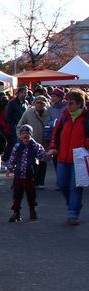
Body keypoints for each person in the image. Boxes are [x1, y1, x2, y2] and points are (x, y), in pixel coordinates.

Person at [47, 88, 88, 225]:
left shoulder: (86, 118)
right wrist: (53, 147)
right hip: (62, 157)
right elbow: (56, 134)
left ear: (79, 104)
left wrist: (85, 144)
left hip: (80, 158)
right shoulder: (64, 117)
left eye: (71, 103)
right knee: (62, 185)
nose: (68, 105)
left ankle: (73, 213)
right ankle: (73, 204)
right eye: (67, 102)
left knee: (75, 187)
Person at [6, 124, 43, 222]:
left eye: (27, 133)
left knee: (31, 193)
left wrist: (49, 155)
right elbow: (13, 158)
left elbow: (43, 156)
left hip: (30, 173)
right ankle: (16, 212)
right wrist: (9, 168)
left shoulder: (35, 146)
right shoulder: (17, 146)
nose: (25, 136)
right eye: (23, 133)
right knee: (17, 193)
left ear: (31, 134)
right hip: (19, 173)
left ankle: (32, 210)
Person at [17, 96, 50, 188]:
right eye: (38, 103)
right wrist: (21, 138)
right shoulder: (28, 113)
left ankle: (40, 182)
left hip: (45, 142)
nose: (39, 105)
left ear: (45, 104)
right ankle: (32, 181)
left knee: (43, 162)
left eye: (42, 103)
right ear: (34, 103)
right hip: (31, 142)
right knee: (31, 163)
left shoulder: (48, 113)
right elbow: (20, 125)